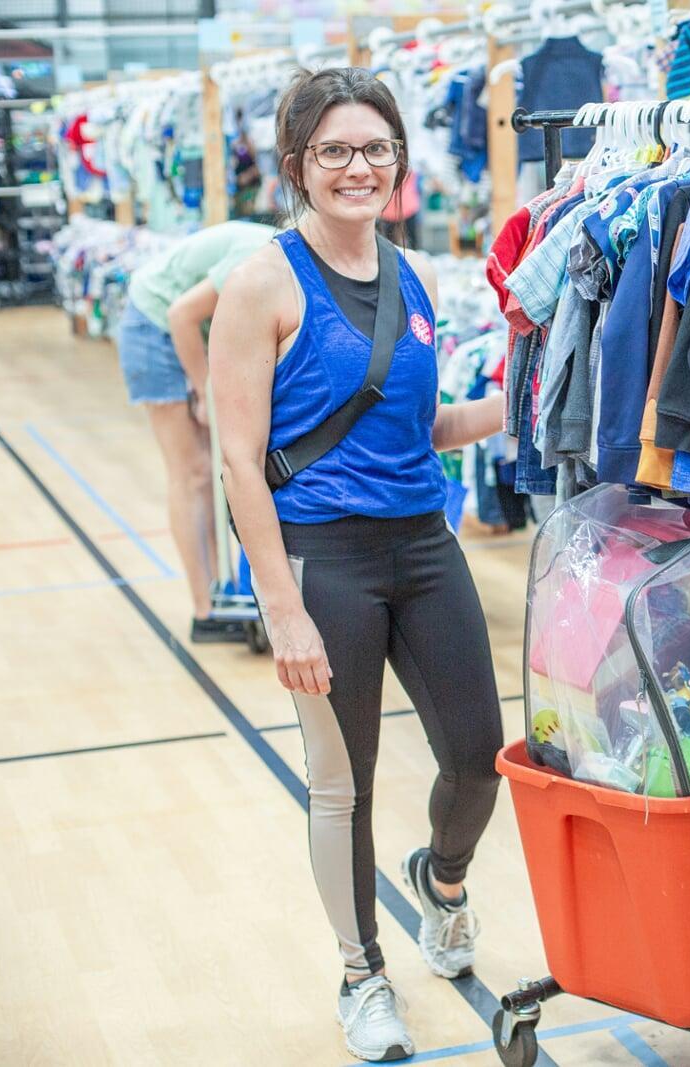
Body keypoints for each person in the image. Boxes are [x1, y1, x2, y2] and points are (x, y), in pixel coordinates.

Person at [208, 67, 507, 1063]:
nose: (358, 166)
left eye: (375, 147)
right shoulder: (263, 280)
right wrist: (280, 608)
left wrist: (521, 401)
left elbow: (421, 428)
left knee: (476, 754)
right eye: (334, 150)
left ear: (399, 162)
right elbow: (239, 461)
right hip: (322, 559)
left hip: (423, 543)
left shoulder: (412, 275)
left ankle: (445, 882)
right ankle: (361, 973)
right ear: (296, 165)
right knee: (345, 784)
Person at [117, 219, 275, 641]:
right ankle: (205, 611)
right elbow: (181, 314)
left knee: (213, 473)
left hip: (186, 330)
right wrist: (204, 392)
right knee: (192, 473)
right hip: (155, 328)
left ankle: (221, 589)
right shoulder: (261, 256)